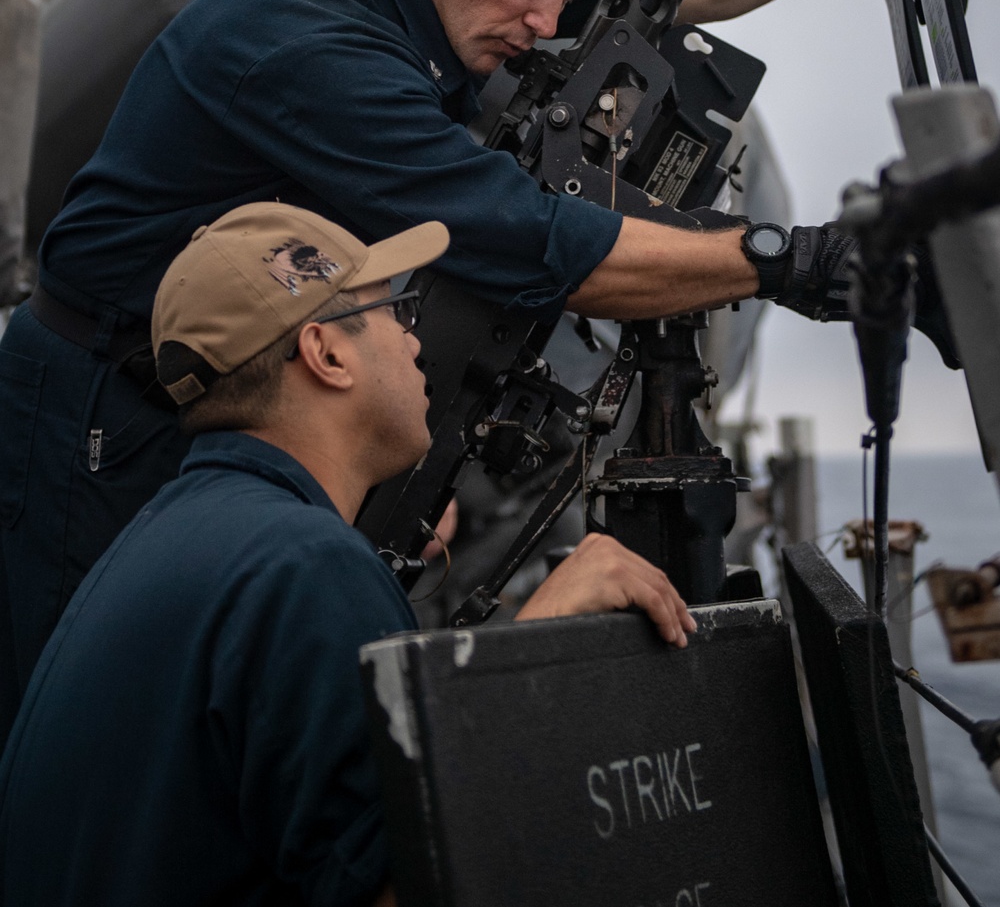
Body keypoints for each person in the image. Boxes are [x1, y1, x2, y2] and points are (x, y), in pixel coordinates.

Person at [0, 0, 961, 738]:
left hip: (235, 387)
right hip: (102, 413)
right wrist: (787, 260)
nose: (546, 21)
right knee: (90, 717)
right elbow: (534, 239)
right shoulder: (311, 40)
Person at [0, 205, 696, 907]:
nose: (415, 342)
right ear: (326, 354)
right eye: (398, 310)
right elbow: (415, 884)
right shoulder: (303, 567)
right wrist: (536, 654)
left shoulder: (164, 543)